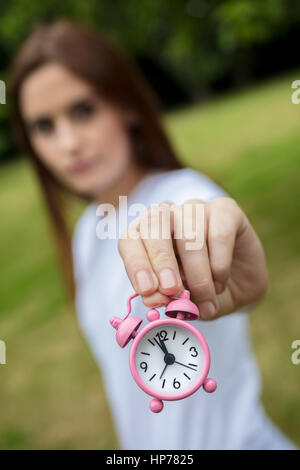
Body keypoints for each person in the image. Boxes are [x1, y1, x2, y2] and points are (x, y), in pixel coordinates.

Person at [10, 20, 296, 450]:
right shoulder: (88, 230)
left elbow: (200, 223)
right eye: (44, 127)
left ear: (125, 105)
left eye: (83, 110)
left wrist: (213, 245)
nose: (67, 143)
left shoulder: (184, 196)